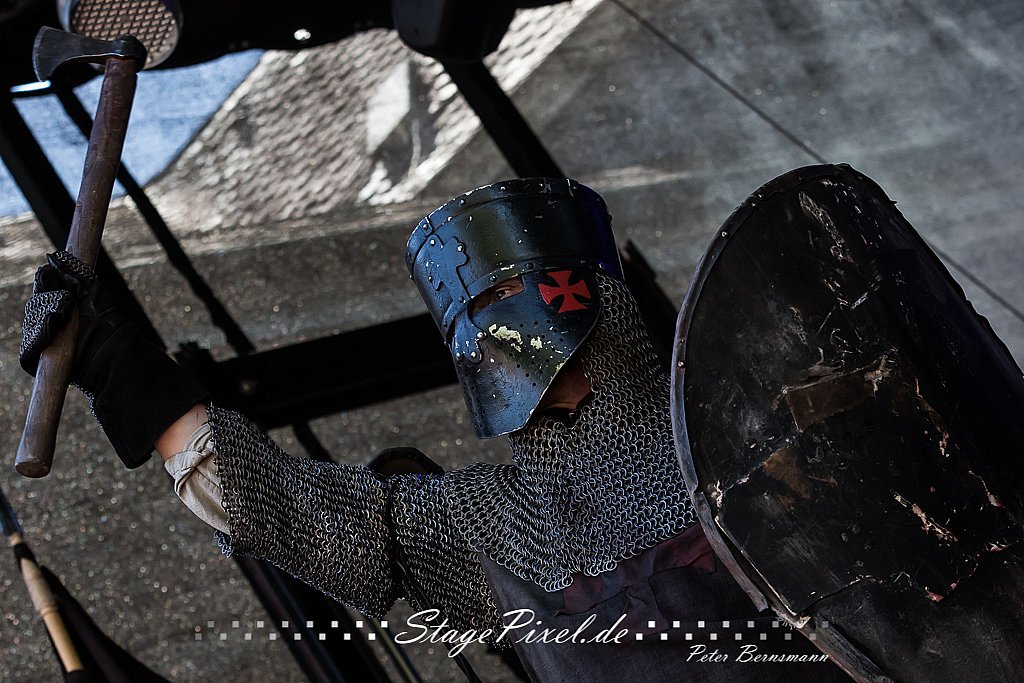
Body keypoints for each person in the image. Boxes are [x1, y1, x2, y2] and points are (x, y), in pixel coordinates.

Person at [20, 177, 847, 681]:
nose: (493, 331)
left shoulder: (753, 433)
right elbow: (285, 511)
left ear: (590, 297)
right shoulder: (492, 528)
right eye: (473, 312)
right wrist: (117, 366)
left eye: (509, 296)